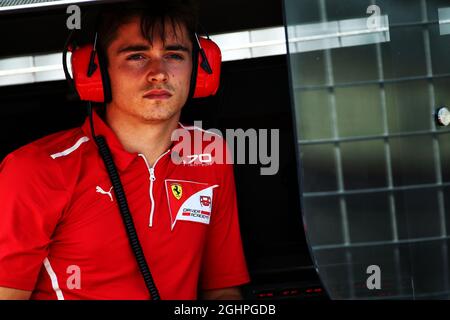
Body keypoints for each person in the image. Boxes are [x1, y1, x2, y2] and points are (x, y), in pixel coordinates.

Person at [0, 0, 250, 300]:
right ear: (96, 72)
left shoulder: (209, 154)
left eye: (173, 55)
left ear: (200, 69)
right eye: (136, 56)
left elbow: (223, 293)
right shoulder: (35, 169)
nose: (158, 73)